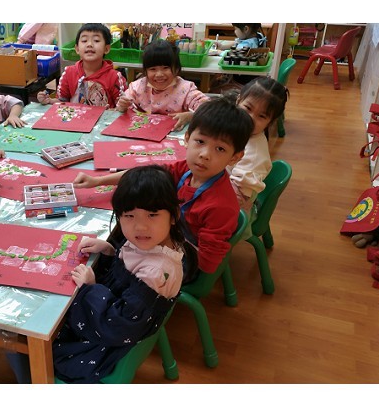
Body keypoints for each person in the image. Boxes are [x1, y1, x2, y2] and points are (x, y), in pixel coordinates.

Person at [7, 165, 190, 383]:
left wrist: (91, 289)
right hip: (118, 326)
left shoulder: (155, 271)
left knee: (25, 338)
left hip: (105, 344)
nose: (140, 227)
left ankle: (33, 380)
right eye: (129, 215)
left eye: (152, 215)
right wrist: (110, 251)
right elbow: (130, 275)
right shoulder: (157, 241)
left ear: (173, 215)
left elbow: (118, 324)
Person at [72, 96, 253, 280]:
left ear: (235, 157)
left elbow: (206, 265)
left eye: (220, 149)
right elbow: (144, 175)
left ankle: (111, 268)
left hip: (181, 265)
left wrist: (159, 242)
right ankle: (114, 256)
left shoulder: (221, 206)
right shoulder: (186, 170)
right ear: (187, 138)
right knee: (125, 226)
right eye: (200, 141)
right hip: (164, 238)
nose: (205, 154)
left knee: (121, 256)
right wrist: (97, 181)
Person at [116, 39, 209, 131]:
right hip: (143, 132)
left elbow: (208, 108)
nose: (159, 74)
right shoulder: (137, 87)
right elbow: (122, 106)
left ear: (176, 69)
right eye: (153, 69)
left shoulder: (185, 89)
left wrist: (191, 116)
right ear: (145, 71)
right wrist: (123, 106)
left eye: (165, 68)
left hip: (174, 134)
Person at [228, 77, 289, 213]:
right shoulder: (234, 124)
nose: (251, 118)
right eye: (248, 108)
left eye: (261, 116)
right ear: (238, 101)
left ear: (270, 122)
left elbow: (237, 197)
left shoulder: (255, 154)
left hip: (232, 211)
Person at [37, 23, 127, 108]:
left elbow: (122, 108)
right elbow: (62, 101)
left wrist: (121, 107)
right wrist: (49, 101)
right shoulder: (69, 73)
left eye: (96, 40)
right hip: (75, 118)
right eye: (84, 41)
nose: (89, 44)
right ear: (77, 49)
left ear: (106, 49)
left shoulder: (115, 77)